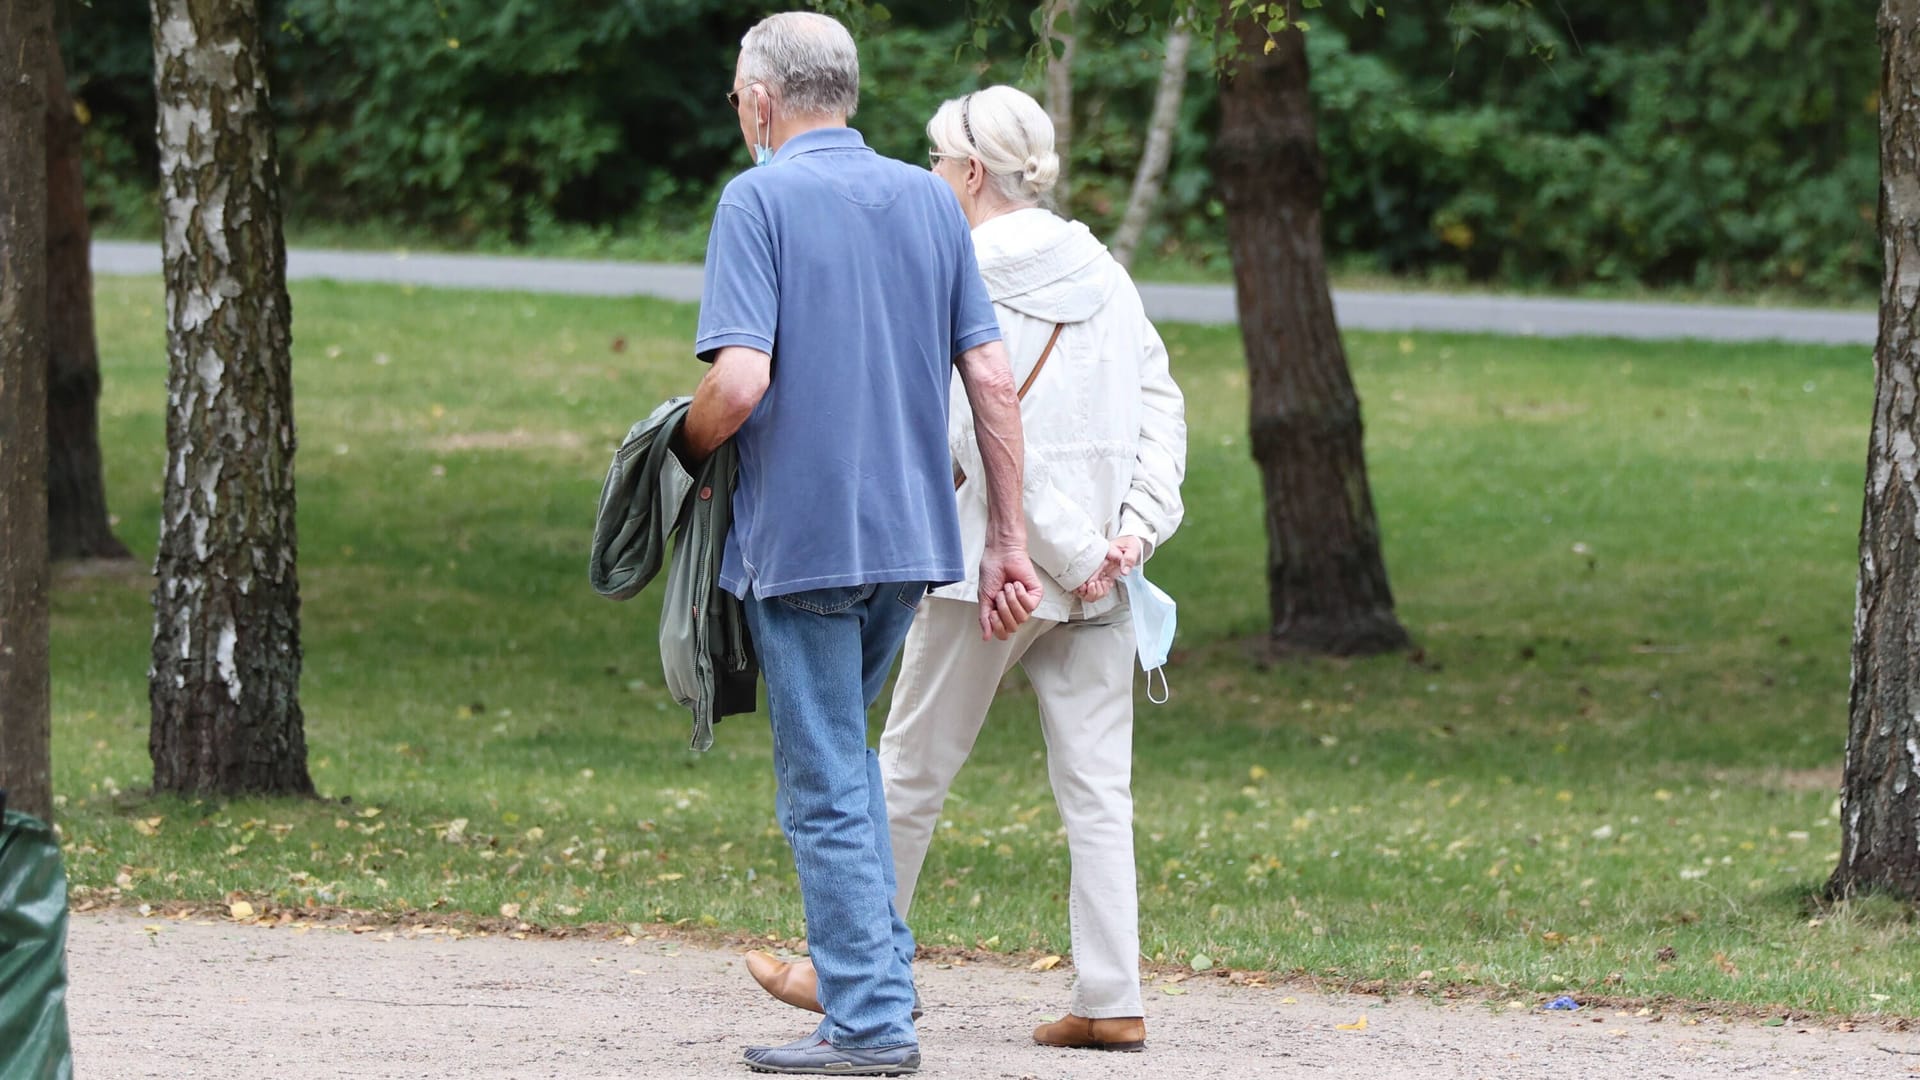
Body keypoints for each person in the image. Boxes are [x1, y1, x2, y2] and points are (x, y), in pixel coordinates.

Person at [744, 84, 1187, 1053]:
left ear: (972, 173)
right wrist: (1130, 537)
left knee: (907, 770)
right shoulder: (1104, 270)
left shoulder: (946, 261)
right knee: (1098, 791)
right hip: (1097, 574)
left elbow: (968, 418)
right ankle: (1112, 995)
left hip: (982, 569)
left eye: (939, 165)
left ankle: (843, 967)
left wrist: (1066, 548)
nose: (933, 180)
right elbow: (1164, 405)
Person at [681, 15, 1045, 1078]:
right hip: (909, 542)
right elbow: (990, 378)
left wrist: (678, 447)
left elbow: (739, 383)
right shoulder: (933, 200)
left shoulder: (757, 199)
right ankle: (881, 977)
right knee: (849, 762)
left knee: (828, 780)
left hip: (802, 544)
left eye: (737, 93)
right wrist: (1005, 542)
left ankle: (873, 1024)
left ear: (762, 99)